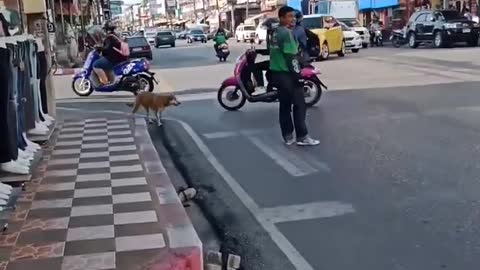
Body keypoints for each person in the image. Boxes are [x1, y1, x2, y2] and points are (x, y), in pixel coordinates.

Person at [270, 5, 319, 146]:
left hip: (277, 74)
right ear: (282, 18)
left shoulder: (275, 32)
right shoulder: (287, 33)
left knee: (284, 106)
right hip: (287, 74)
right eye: (289, 16)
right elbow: (291, 58)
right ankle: (302, 136)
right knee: (299, 104)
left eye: (293, 16)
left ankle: (288, 136)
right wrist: (298, 75)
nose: (292, 19)